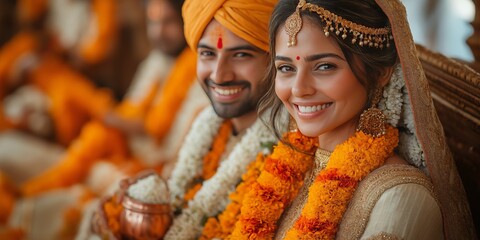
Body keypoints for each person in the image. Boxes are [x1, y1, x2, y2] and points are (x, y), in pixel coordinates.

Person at [200, 0, 476, 239]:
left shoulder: (400, 198)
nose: (298, 88)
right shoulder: (281, 169)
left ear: (380, 72)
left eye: (324, 66)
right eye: (286, 67)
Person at [1, 0, 208, 238]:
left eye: (168, 22)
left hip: (153, 161)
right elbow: (131, 108)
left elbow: (161, 133)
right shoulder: (156, 61)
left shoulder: (197, 71)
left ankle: (36, 194)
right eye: (153, 22)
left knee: (91, 127)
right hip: (125, 144)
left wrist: (110, 117)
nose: (159, 31)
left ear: (186, 24)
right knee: (93, 131)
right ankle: (36, 191)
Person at [152, 0, 280, 239]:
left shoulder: (291, 149)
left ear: (275, 59)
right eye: (208, 54)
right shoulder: (202, 127)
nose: (220, 74)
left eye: (241, 55)